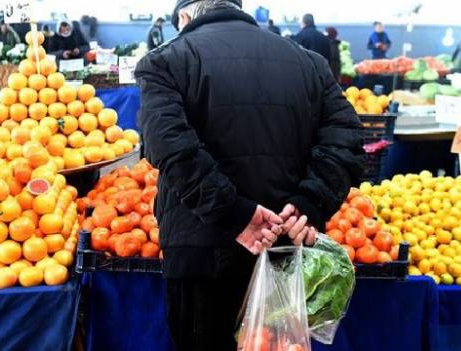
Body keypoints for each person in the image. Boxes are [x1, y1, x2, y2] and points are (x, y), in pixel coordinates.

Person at [135, 0, 364, 349]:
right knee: (276, 344)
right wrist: (309, 203)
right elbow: (346, 136)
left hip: (201, 253)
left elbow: (169, 146)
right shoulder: (309, 63)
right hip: (284, 246)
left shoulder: (165, 61)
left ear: (184, 16)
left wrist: (234, 213)